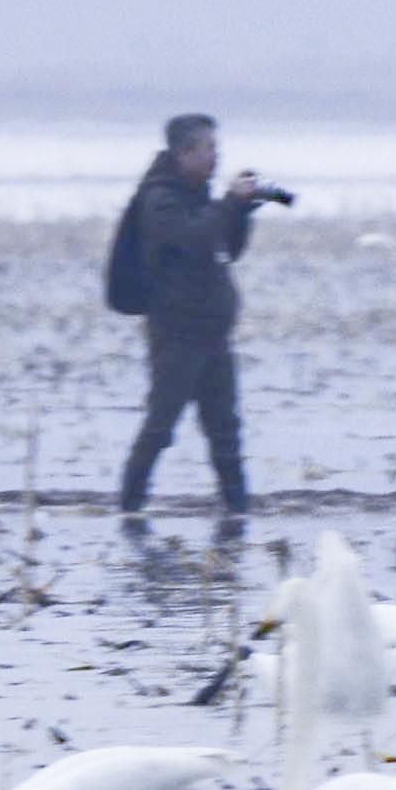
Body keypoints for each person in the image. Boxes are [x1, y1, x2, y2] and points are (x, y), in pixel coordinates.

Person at [113, 112, 268, 515]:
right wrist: (229, 203)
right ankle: (129, 506)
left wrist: (242, 211)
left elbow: (225, 248)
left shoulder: (197, 196)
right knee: (160, 427)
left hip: (213, 335)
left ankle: (238, 509)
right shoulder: (160, 200)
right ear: (184, 153)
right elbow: (196, 239)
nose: (216, 157)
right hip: (177, 335)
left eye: (217, 148)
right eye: (209, 149)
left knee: (225, 430)